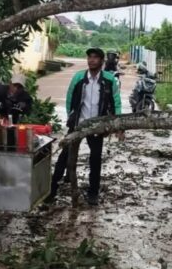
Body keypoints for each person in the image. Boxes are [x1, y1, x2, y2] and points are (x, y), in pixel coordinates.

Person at [47, 47, 121, 206]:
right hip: (78, 124)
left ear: (102, 61)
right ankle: (52, 190)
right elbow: (69, 98)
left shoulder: (109, 79)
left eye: (95, 58)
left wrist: (115, 124)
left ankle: (93, 192)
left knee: (95, 159)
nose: (91, 60)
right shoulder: (79, 77)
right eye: (89, 57)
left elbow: (116, 101)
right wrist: (71, 117)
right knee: (64, 156)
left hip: (97, 126)